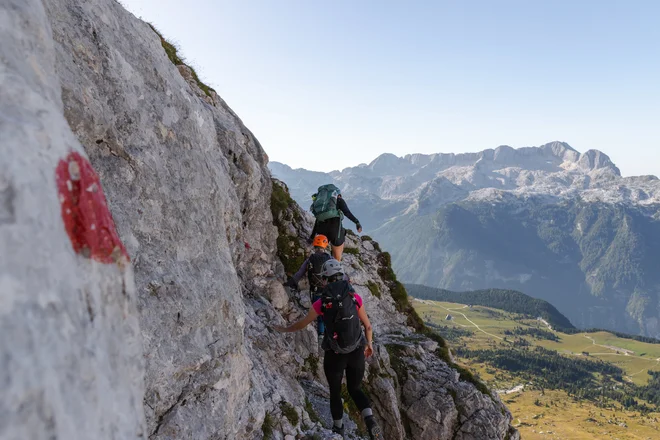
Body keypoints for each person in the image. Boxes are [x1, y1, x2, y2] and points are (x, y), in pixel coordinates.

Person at [274, 259, 382, 439]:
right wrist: (369, 344)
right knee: (355, 389)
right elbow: (368, 327)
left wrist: (285, 329)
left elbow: (302, 324)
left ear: (325, 279)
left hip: (335, 355)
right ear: (342, 275)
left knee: (335, 392)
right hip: (356, 352)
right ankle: (370, 420)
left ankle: (338, 429)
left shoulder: (321, 302)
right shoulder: (354, 297)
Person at [284, 234, 332, 338]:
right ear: (325, 246)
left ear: (315, 246)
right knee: (329, 313)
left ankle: (321, 335)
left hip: (315, 292)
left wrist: (290, 283)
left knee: (319, 314)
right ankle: (330, 335)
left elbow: (299, 273)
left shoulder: (310, 259)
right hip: (329, 292)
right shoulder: (330, 259)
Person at [308, 184, 362, 262]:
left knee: (319, 257)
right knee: (336, 259)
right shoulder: (339, 200)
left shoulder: (322, 206)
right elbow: (347, 213)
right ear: (337, 194)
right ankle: (333, 269)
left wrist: (312, 237)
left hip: (321, 231)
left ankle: (317, 269)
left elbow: (318, 220)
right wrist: (357, 223)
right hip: (335, 231)